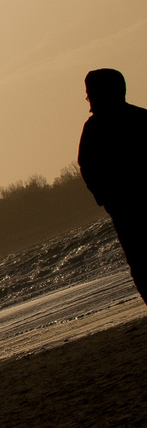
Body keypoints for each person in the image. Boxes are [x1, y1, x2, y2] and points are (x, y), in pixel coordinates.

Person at [78, 68, 147, 302]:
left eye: (90, 95)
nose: (89, 101)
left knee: (141, 265)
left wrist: (107, 199)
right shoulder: (142, 118)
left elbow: (87, 168)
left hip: (125, 211)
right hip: (125, 209)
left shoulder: (94, 129)